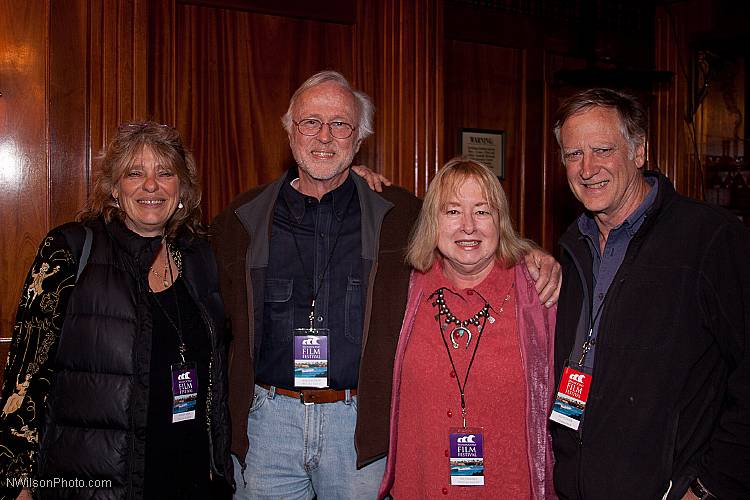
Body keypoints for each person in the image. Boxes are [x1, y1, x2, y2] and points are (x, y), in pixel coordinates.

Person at [211, 70, 561, 499]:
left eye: (340, 124)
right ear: (290, 132)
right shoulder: (242, 217)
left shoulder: (397, 214)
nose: (325, 136)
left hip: (358, 429)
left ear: (358, 140)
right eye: (311, 122)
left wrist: (531, 255)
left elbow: (468, 233)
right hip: (269, 423)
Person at [0, 122, 233, 499]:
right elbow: (24, 379)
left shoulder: (199, 257)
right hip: (95, 483)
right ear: (113, 186)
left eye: (165, 173)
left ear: (182, 190)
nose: (151, 186)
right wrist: (17, 484)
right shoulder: (71, 250)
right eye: (134, 173)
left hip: (186, 477)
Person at [550, 88, 750, 500]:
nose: (587, 169)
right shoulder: (572, 249)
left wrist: (710, 488)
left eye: (602, 149)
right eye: (573, 154)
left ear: (639, 151)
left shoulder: (710, 239)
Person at [377, 158, 556, 499]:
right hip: (421, 487)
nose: (469, 227)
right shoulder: (405, 289)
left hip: (510, 488)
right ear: (433, 221)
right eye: (453, 211)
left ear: (500, 221)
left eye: (483, 211)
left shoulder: (538, 295)